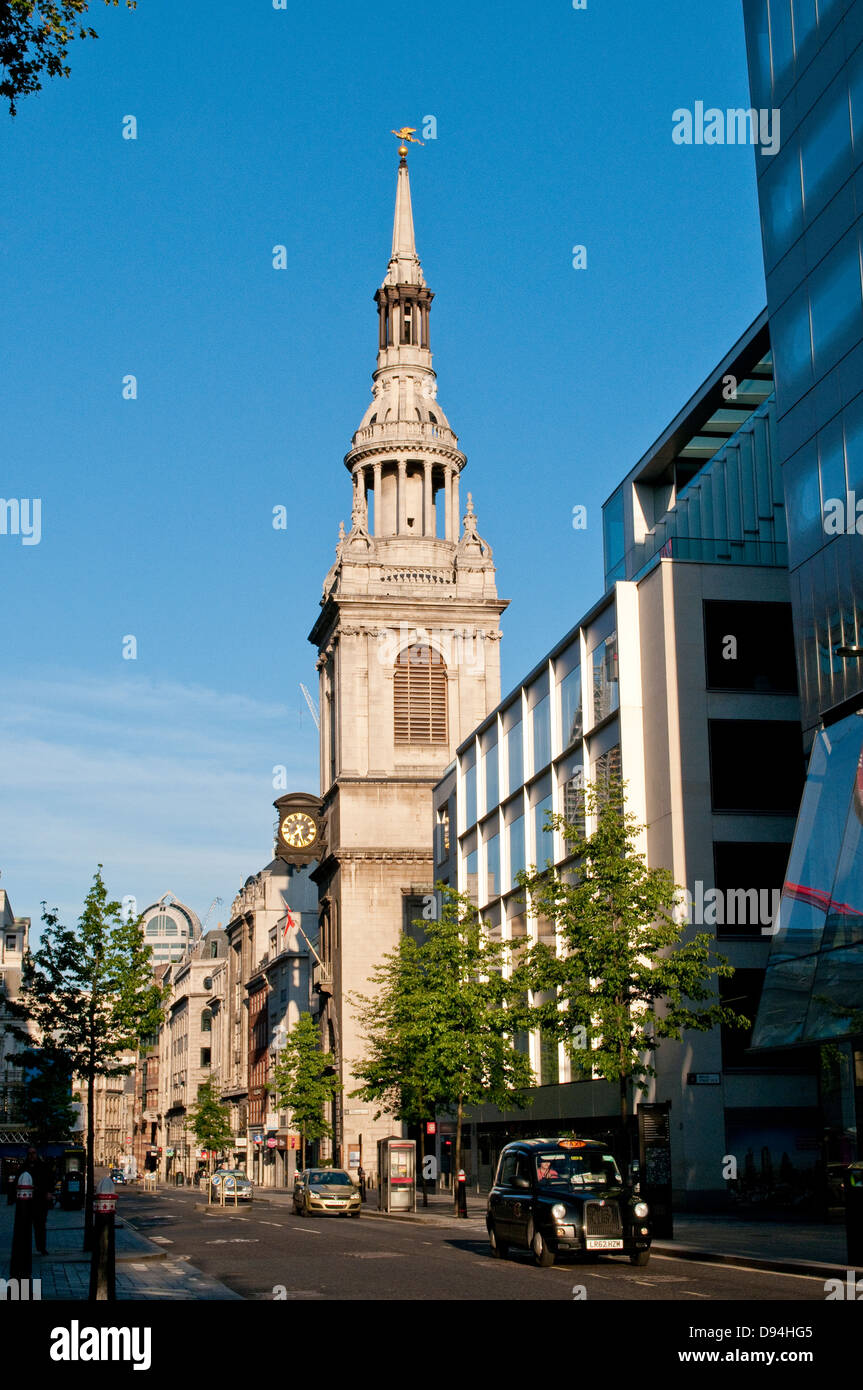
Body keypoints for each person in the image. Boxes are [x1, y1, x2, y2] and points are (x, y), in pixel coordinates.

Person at [24, 1146, 53, 1254]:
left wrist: (49, 1192)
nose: (31, 1155)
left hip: (40, 1200)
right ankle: (27, 1247)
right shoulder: (24, 1167)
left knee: (40, 1225)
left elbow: (50, 1179)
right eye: (30, 1153)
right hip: (27, 1201)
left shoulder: (43, 1166)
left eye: (33, 1153)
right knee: (26, 1225)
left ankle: (41, 1247)